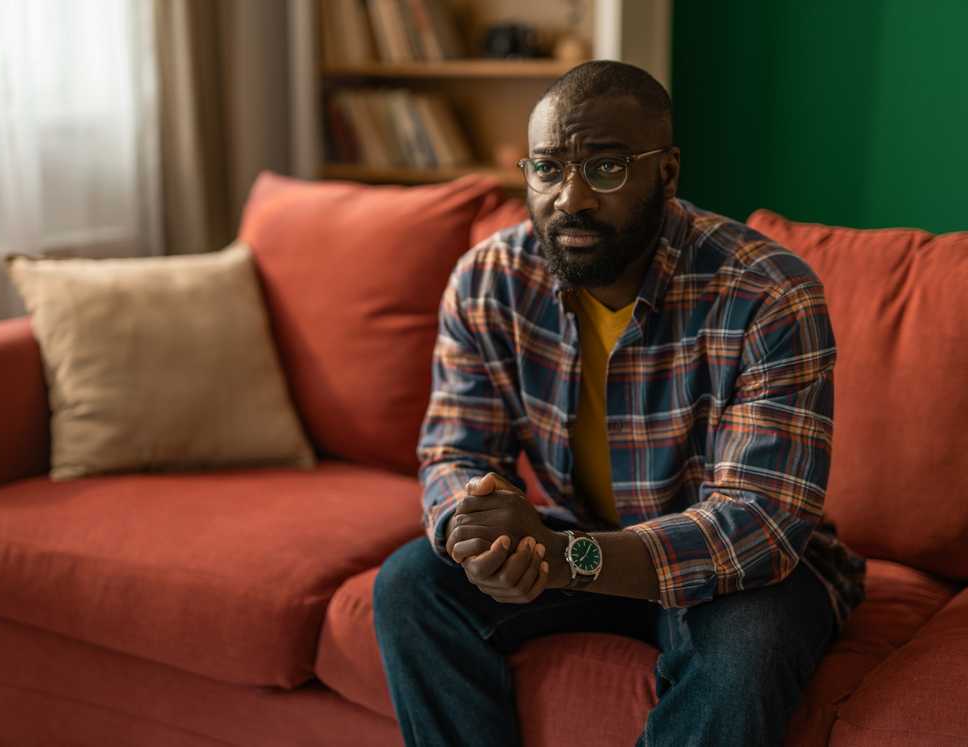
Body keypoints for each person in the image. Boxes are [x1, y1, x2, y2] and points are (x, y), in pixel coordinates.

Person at [372, 60, 867, 747]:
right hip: (577, 534)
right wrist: (476, 530)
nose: (570, 197)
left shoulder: (769, 295)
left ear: (667, 172)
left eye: (605, 168)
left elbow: (758, 522)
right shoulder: (489, 280)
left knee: (747, 646)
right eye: (547, 168)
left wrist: (565, 556)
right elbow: (455, 452)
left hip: (737, 571)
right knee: (411, 587)